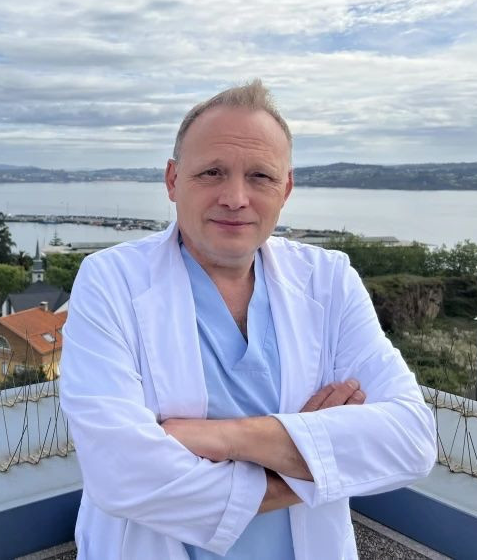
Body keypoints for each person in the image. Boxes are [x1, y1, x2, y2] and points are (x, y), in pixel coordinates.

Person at [59, 80, 436, 559]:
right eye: (212, 172)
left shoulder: (329, 280)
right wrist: (315, 457)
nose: (235, 197)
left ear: (287, 188)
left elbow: (411, 440)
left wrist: (225, 437)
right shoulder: (110, 281)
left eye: (260, 176)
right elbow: (122, 474)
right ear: (173, 180)